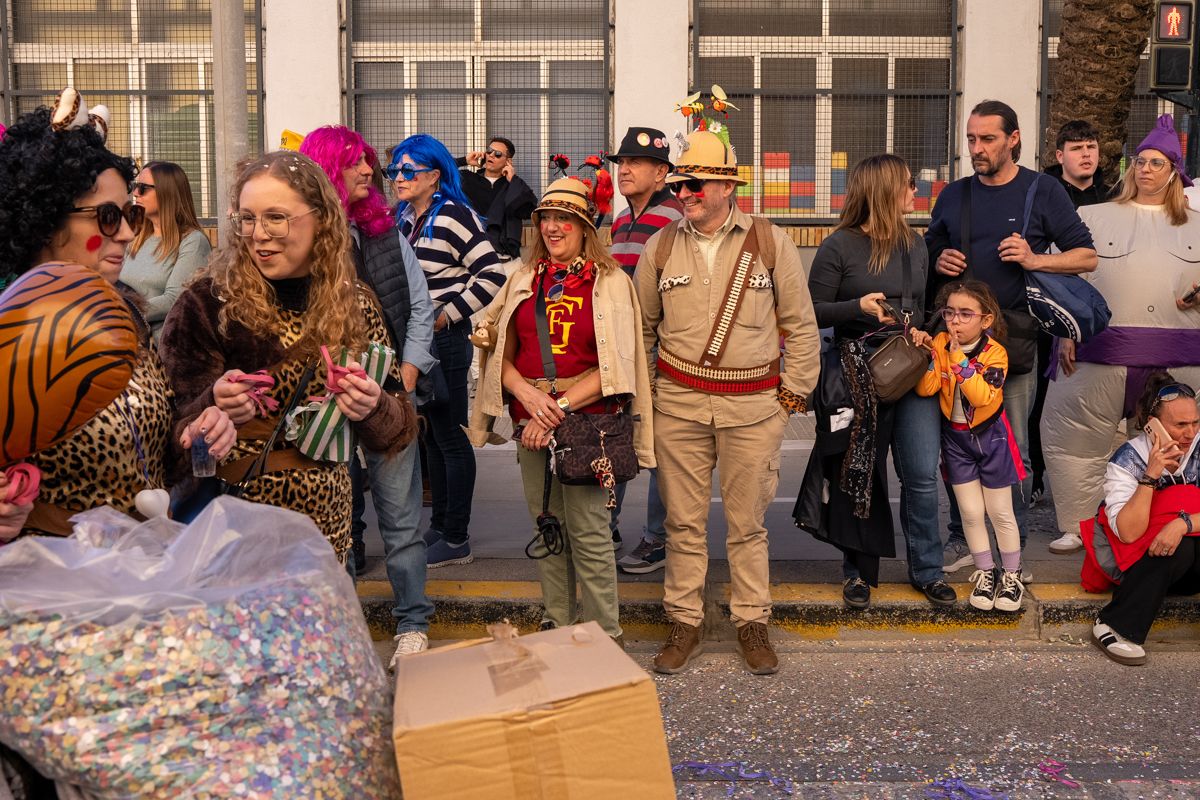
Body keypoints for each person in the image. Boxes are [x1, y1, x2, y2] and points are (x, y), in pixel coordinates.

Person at [160, 151, 418, 564]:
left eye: (275, 217)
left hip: (328, 541)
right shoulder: (207, 304)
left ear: (321, 220)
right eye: (247, 218)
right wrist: (212, 405)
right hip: (234, 540)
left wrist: (373, 407)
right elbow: (165, 438)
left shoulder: (355, 304)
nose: (258, 234)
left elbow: (397, 429)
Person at [0, 90, 235, 538]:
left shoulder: (123, 319)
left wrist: (204, 422)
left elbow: (155, 451)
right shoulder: (8, 327)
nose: (128, 231)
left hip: (135, 576)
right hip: (51, 587)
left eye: (130, 212)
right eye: (108, 216)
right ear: (47, 219)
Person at [636, 130, 820, 676]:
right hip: (679, 410)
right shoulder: (662, 246)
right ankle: (683, 622)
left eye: (694, 183)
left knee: (748, 525)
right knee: (682, 524)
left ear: (724, 185)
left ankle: (752, 622)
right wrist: (651, 399)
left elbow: (802, 328)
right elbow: (643, 331)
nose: (685, 193)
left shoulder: (770, 241)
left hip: (753, 411)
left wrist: (791, 396)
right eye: (680, 184)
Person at [467, 177, 654, 645]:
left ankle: (604, 638)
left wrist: (554, 410)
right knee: (548, 527)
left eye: (564, 218)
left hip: (589, 422)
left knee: (590, 533)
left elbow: (619, 366)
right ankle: (557, 626)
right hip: (531, 418)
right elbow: (495, 353)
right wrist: (528, 400)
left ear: (585, 226)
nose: (552, 227)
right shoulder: (521, 278)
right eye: (546, 218)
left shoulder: (611, 283)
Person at [925, 99, 1097, 580]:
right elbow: (930, 248)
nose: (977, 149)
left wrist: (1035, 258)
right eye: (971, 140)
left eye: (987, 139)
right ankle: (964, 540)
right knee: (959, 444)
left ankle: (1011, 550)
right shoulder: (953, 195)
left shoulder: (1042, 191)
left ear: (1013, 139)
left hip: (1014, 345)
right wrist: (939, 259)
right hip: (955, 344)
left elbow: (1086, 257)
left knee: (1009, 447)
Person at [300, 125, 437, 659]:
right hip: (323, 406)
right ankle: (344, 626)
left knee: (402, 521)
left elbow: (421, 308)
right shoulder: (302, 241)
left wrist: (407, 374)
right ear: (329, 167)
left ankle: (412, 625)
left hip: (387, 402)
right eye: (356, 162)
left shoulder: (384, 236)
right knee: (337, 522)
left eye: (368, 163)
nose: (370, 171)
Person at [1040, 114, 1200, 555]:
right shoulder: (1089, 216)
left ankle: (1163, 518)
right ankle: (1077, 524)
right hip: (1098, 352)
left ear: (1174, 173)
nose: (1145, 169)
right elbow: (1064, 279)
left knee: (1175, 445)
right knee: (1074, 440)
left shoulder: (1198, 224)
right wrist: (1066, 332)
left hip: (1180, 354)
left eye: (1156, 163)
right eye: (1140, 162)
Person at [802, 154, 954, 610]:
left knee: (923, 475)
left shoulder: (916, 244)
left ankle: (927, 570)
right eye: (909, 185)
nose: (915, 192)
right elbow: (808, 310)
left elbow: (921, 306)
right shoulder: (839, 246)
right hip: (857, 373)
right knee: (861, 474)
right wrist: (857, 308)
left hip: (910, 370)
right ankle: (858, 574)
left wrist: (929, 327)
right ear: (886, 190)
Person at [388, 134, 505, 568]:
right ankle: (439, 527)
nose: (398, 178)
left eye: (408, 171)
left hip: (445, 341)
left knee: (452, 440)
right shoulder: (403, 217)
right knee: (433, 440)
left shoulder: (454, 215)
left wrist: (445, 316)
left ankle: (456, 536)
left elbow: (491, 274)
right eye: (395, 170)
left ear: (434, 176)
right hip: (417, 342)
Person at [912, 281, 1026, 612]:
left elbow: (981, 396)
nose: (956, 321)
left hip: (992, 438)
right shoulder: (941, 343)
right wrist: (926, 353)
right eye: (950, 313)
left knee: (1000, 511)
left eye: (965, 314)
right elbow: (926, 388)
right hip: (956, 439)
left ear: (985, 320)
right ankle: (986, 572)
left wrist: (958, 361)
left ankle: (1011, 575)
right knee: (971, 513)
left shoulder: (996, 354)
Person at [607, 126, 684, 571]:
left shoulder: (673, 218)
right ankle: (607, 527)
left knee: (658, 448)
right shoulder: (620, 219)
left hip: (657, 353)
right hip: (620, 349)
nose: (625, 170)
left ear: (661, 173)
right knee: (614, 439)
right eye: (622, 163)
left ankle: (657, 538)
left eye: (636, 163)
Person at [1028, 120, 1112, 507]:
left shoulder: (1113, 198)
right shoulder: (1043, 194)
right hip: (1050, 312)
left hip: (1099, 313)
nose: (1086, 154)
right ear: (1059, 156)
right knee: (1042, 399)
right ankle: (1039, 476)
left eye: (1091, 147)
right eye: (1077, 148)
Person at [1089, 375, 1200, 666]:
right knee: (1179, 546)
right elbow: (1127, 532)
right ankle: (1114, 624)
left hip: (1186, 560)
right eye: (1180, 425)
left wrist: (1182, 524)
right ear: (1154, 424)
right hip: (1139, 561)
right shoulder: (1127, 459)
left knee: (1184, 536)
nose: (1189, 433)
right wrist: (1150, 476)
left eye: (1195, 423)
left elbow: (1183, 526)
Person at [121, 161, 212, 340]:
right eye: (134, 186)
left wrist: (120, 314)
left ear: (166, 193)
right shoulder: (135, 237)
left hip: (161, 349)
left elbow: (175, 299)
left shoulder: (192, 242)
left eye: (143, 188)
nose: (135, 193)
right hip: (125, 338)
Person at [456, 135, 537, 262]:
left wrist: (513, 180)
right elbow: (434, 170)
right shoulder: (467, 179)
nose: (491, 155)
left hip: (504, 256)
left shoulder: (513, 186)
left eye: (498, 154)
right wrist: (464, 160)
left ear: (508, 161)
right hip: (470, 253)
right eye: (489, 151)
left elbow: (528, 210)